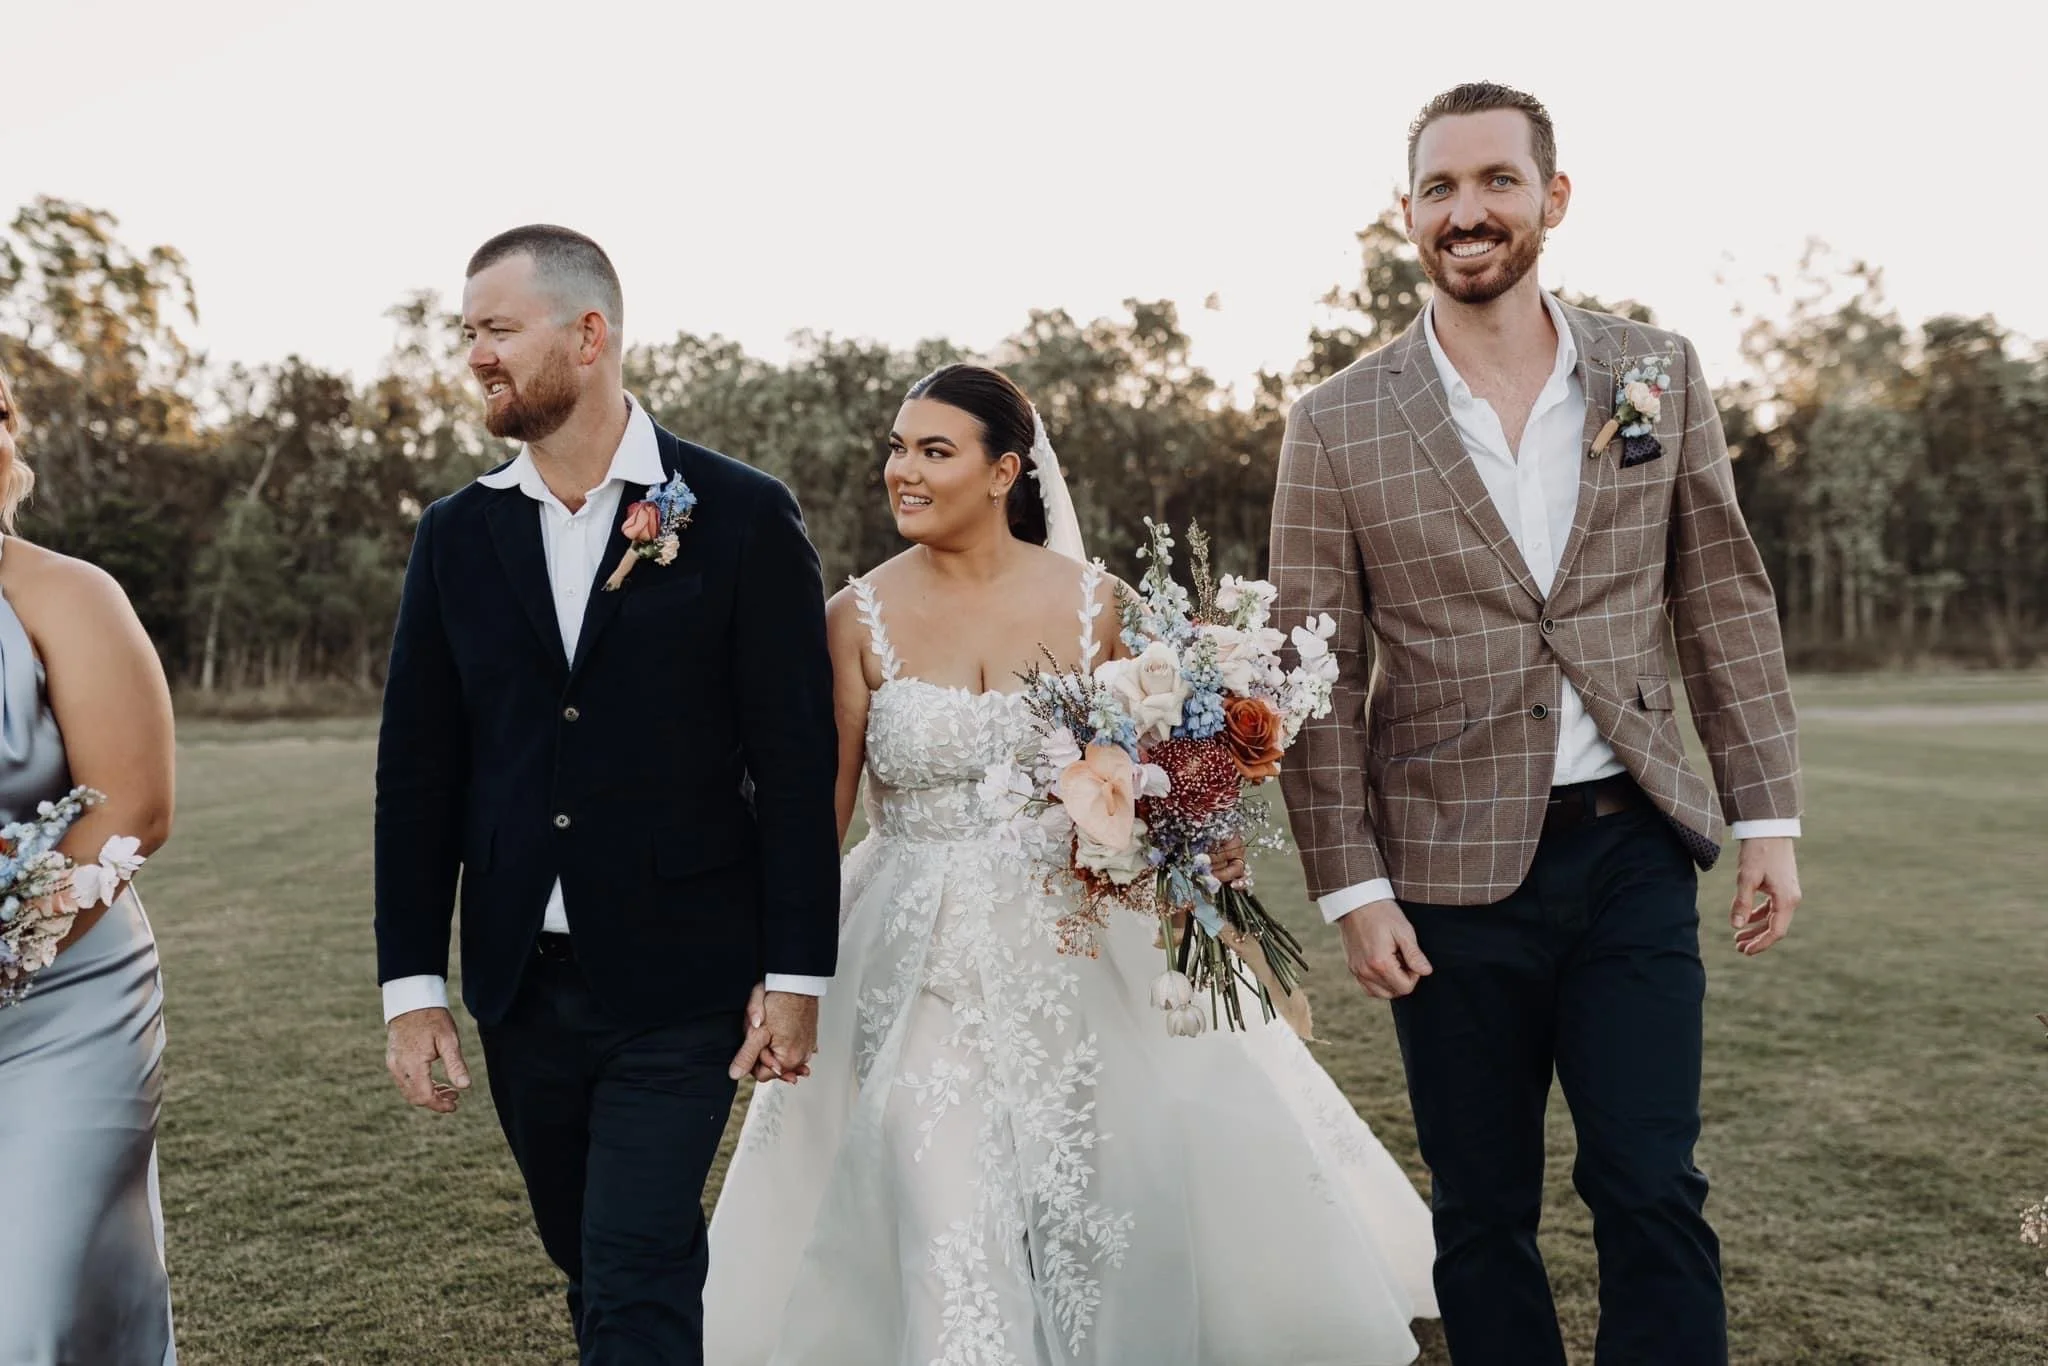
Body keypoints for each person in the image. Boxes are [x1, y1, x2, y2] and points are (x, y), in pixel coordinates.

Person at [705, 362, 1437, 1366]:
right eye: (894, 449)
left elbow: (1176, 754)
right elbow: (816, 811)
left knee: (1098, 1205)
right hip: (912, 957)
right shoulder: (852, 618)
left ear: (1004, 469)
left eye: (932, 450)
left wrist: (1201, 823)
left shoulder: (1099, 604)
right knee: (940, 1194)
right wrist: (782, 968)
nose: (901, 472)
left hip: (1084, 941)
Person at [1271, 83, 1806, 1366]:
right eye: (1440, 189)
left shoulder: (1652, 373)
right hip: (1442, 877)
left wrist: (1766, 819)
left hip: (1630, 843)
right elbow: (1315, 671)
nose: (1469, 212)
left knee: (1648, 1183)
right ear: (1407, 216)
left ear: (1549, 199)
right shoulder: (1334, 420)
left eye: (1495, 182)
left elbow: (1718, 595)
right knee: (1481, 1209)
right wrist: (1349, 886)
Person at [373, 225, 840, 1365]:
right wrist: (411, 986)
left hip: (680, 981)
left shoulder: (738, 514)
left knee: (635, 1268)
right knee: (588, 1257)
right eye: (467, 332)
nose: (475, 354)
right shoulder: (454, 536)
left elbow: (793, 760)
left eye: (497, 328)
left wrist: (794, 975)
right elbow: (417, 774)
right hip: (520, 987)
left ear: (589, 335)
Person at [0, 362, 179, 1364]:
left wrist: (8, 947)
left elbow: (134, 811)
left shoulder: (67, 596)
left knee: (35, 1316)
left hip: (64, 1010)